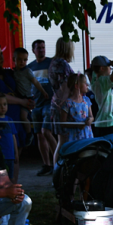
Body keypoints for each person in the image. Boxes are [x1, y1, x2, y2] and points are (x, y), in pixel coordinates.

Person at [28, 39, 58, 176]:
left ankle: (57, 161)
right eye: (39, 48)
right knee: (39, 135)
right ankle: (47, 164)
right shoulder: (30, 67)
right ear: (33, 50)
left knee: (47, 132)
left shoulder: (51, 63)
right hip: (36, 105)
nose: (41, 50)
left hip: (49, 104)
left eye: (43, 47)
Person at [12, 47, 50, 148]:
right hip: (19, 96)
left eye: (25, 60)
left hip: (27, 97)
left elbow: (35, 82)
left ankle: (29, 134)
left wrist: (43, 92)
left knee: (23, 117)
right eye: (19, 59)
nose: (22, 62)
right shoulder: (14, 72)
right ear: (13, 59)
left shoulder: (27, 71)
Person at [47, 38, 76, 166]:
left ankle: (58, 171)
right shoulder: (62, 64)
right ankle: (58, 172)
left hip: (56, 104)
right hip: (61, 106)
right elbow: (65, 87)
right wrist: (64, 106)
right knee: (63, 141)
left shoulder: (54, 62)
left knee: (61, 140)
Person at [0, 93, 19, 183]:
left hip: (10, 155)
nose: (2, 107)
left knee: (11, 177)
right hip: (0, 155)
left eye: (4, 104)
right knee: (0, 178)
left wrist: (16, 153)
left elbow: (13, 137)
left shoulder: (9, 120)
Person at [90, 55, 113, 138]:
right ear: (102, 68)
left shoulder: (95, 79)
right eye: (109, 67)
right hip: (108, 122)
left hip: (102, 122)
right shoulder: (102, 81)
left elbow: (94, 70)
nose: (110, 69)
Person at [60, 73, 94, 143]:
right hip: (73, 137)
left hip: (87, 134)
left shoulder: (86, 100)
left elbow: (91, 116)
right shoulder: (68, 103)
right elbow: (62, 122)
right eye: (85, 83)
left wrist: (90, 120)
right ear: (77, 86)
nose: (87, 85)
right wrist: (77, 125)